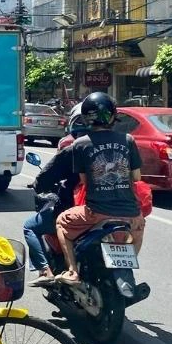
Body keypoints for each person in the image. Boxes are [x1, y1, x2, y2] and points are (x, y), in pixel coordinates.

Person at [55, 92, 145, 285]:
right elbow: (137, 177)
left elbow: (84, 180)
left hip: (96, 213)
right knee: (139, 228)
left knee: (62, 222)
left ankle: (72, 271)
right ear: (112, 115)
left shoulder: (80, 144)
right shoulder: (128, 140)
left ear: (86, 117)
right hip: (131, 214)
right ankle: (127, 265)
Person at [23, 111, 88, 286]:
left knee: (29, 227)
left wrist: (38, 185)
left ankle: (45, 271)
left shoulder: (73, 150)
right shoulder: (116, 146)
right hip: (115, 211)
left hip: (81, 211)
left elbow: (46, 177)